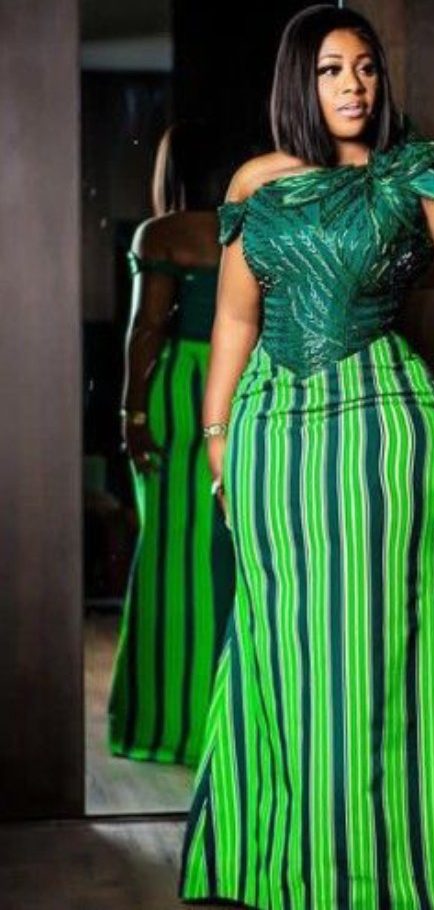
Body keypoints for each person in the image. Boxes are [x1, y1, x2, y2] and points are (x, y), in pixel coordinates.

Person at [178, 5, 434, 908]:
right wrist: (217, 443)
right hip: (267, 438)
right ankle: (282, 863)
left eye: (366, 67)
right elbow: (234, 322)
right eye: (331, 70)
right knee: (277, 642)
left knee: (377, 647)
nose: (353, 86)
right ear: (297, 83)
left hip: (379, 434)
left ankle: (392, 867)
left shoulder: (414, 177)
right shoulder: (255, 180)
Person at [107, 121, 236, 767]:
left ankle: (166, 725)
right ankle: (227, 724)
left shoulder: (161, 233)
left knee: (167, 554)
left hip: (182, 390)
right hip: (245, 388)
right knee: (233, 557)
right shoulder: (259, 226)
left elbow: (145, 329)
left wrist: (131, 411)